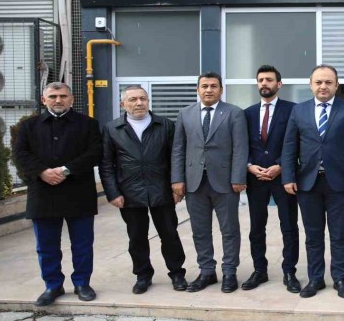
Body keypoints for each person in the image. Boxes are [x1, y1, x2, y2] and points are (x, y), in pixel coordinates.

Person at [281, 65, 344, 299]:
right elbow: (289, 146)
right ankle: (315, 279)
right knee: (313, 235)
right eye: (318, 82)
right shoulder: (299, 111)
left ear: (336, 85)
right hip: (307, 183)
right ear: (311, 85)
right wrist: (288, 176)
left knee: (339, 234)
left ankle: (340, 278)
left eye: (328, 82)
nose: (323, 86)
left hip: (340, 183)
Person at [14, 82, 102, 306]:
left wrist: (65, 170)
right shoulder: (29, 126)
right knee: (46, 246)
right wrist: (42, 172)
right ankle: (53, 285)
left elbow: (95, 152)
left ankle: (82, 283)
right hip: (43, 193)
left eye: (63, 96)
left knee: (82, 244)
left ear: (72, 99)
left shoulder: (88, 124)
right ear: (44, 100)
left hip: (78, 192)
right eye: (53, 96)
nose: (58, 100)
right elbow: (21, 154)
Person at [99, 85, 187, 294]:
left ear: (148, 101)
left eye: (142, 99)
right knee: (136, 236)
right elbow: (106, 164)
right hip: (129, 192)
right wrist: (113, 192)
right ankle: (143, 275)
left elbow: (176, 157)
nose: (139, 103)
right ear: (123, 104)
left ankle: (177, 273)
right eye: (133, 100)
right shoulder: (112, 128)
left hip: (162, 189)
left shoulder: (165, 125)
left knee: (169, 234)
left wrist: (177, 185)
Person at [171, 72, 248, 293]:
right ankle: (207, 271)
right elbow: (178, 148)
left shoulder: (234, 113)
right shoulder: (185, 114)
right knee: (200, 230)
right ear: (197, 89)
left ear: (221, 90)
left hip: (225, 183)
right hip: (194, 182)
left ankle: (229, 272)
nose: (208, 90)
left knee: (229, 229)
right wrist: (177, 179)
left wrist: (238, 178)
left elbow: (240, 148)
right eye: (204, 86)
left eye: (214, 86)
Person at [242, 65, 300, 293]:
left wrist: (281, 166)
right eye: (260, 80)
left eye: (269, 79)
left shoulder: (293, 110)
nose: (264, 83)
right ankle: (260, 270)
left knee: (289, 226)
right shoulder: (247, 113)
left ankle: (289, 271)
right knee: (257, 227)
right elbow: (241, 144)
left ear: (279, 84)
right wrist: (249, 166)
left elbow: (297, 142)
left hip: (283, 177)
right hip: (255, 178)